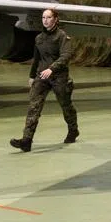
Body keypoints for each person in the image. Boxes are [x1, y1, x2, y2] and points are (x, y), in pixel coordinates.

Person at [10, 9, 79, 152]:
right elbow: (37, 59)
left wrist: (52, 69)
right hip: (42, 77)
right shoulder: (39, 38)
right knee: (33, 107)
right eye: (43, 17)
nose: (45, 20)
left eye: (48, 17)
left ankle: (73, 130)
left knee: (66, 106)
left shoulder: (62, 37)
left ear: (55, 19)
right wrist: (31, 76)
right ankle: (26, 140)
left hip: (59, 77)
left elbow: (66, 56)